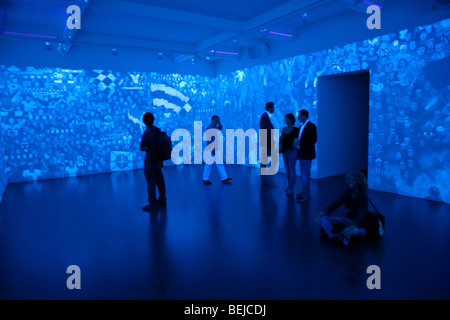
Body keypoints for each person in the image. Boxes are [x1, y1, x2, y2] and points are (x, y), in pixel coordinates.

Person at [315, 171, 370, 246]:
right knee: (323, 219)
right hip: (347, 221)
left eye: (353, 180)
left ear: (359, 182)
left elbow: (361, 215)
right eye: (349, 180)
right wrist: (323, 212)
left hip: (357, 225)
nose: (350, 182)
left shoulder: (363, 198)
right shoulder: (347, 193)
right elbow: (336, 204)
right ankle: (339, 236)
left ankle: (343, 234)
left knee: (352, 231)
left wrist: (352, 226)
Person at [140, 112, 166, 211]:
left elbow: (142, 147)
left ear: (144, 121)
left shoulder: (147, 132)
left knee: (151, 182)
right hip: (158, 160)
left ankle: (152, 203)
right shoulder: (157, 130)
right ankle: (163, 199)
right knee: (160, 180)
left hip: (150, 160)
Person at [203, 115, 232, 185]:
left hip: (216, 148)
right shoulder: (209, 128)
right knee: (208, 164)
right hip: (210, 149)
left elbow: (221, 127)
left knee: (220, 163)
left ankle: (224, 178)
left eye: (217, 120)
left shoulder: (215, 128)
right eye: (216, 120)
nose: (216, 121)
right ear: (212, 120)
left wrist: (219, 122)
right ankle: (205, 179)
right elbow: (209, 140)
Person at [295, 109, 317, 202]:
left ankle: (306, 194)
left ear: (304, 116)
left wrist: (301, 142)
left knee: (305, 175)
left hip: (307, 154)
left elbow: (313, 140)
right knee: (303, 174)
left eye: (299, 115)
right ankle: (303, 192)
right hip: (302, 154)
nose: (298, 117)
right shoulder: (301, 126)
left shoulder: (311, 126)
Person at [280, 113, 299, 196]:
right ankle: (289, 185)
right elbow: (281, 140)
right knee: (288, 170)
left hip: (292, 152)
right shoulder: (284, 129)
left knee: (292, 170)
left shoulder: (296, 129)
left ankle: (291, 187)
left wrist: (294, 147)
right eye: (286, 119)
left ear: (292, 119)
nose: (287, 120)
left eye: (288, 119)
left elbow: (297, 141)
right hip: (285, 152)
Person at [259, 102, 275, 183]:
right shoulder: (265, 116)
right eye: (273, 107)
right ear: (270, 107)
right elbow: (265, 131)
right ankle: (263, 178)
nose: (274, 109)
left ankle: (264, 178)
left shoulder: (266, 116)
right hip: (267, 143)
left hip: (267, 143)